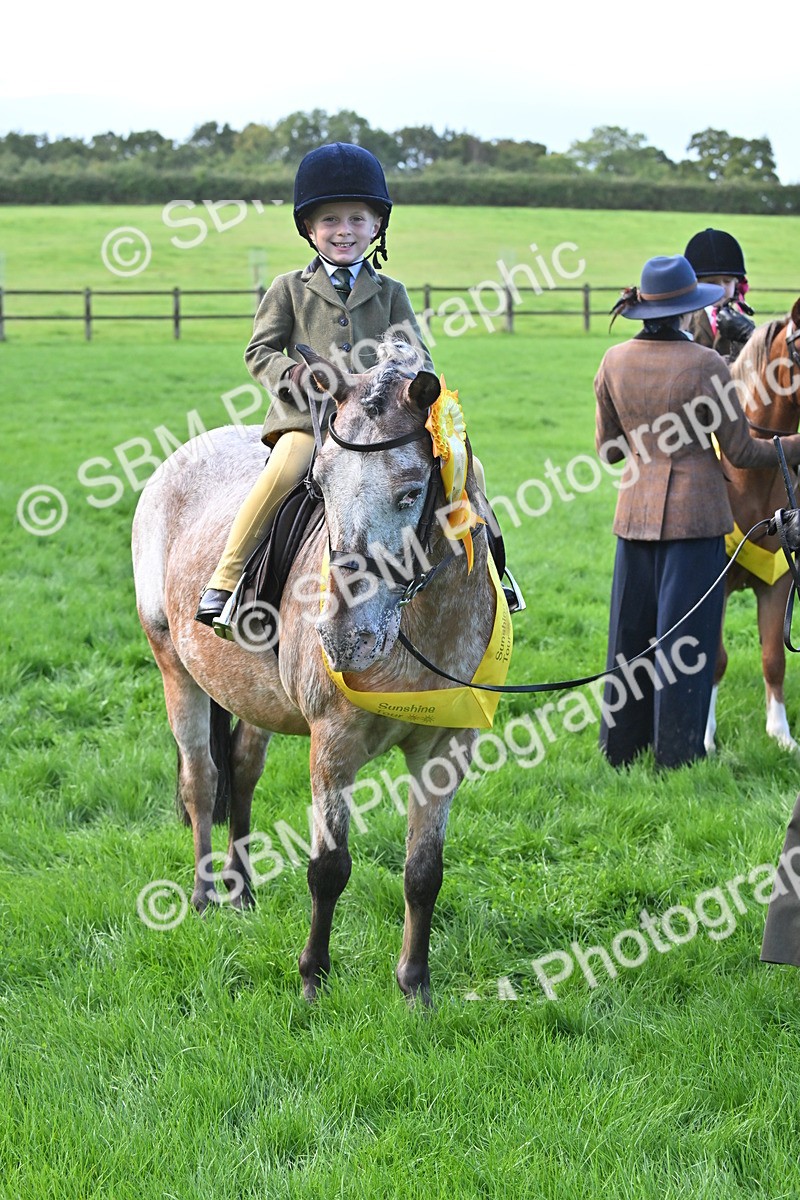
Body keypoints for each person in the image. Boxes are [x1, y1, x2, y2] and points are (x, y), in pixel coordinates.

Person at [195, 141, 435, 633]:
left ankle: (496, 567)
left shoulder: (392, 293)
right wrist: (296, 377)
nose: (343, 231)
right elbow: (258, 352)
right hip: (310, 421)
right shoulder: (288, 288)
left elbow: (417, 353)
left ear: (376, 227)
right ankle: (227, 581)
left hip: (378, 425)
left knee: (452, 464)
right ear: (309, 228)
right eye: (329, 220)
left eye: (356, 219)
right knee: (286, 469)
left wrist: (402, 372)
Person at [594, 254, 800, 769]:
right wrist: (796, 444)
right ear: (689, 312)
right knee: (687, 641)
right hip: (698, 518)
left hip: (632, 516)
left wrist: (647, 446)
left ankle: (621, 747)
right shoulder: (708, 366)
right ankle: (678, 755)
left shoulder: (612, 360)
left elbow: (608, 452)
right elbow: (745, 454)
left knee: (630, 637)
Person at [683, 227, 755, 363]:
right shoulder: (684, 319)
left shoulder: (742, 321)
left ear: (737, 283)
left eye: (727, 281)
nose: (721, 288)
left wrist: (750, 336)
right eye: (711, 282)